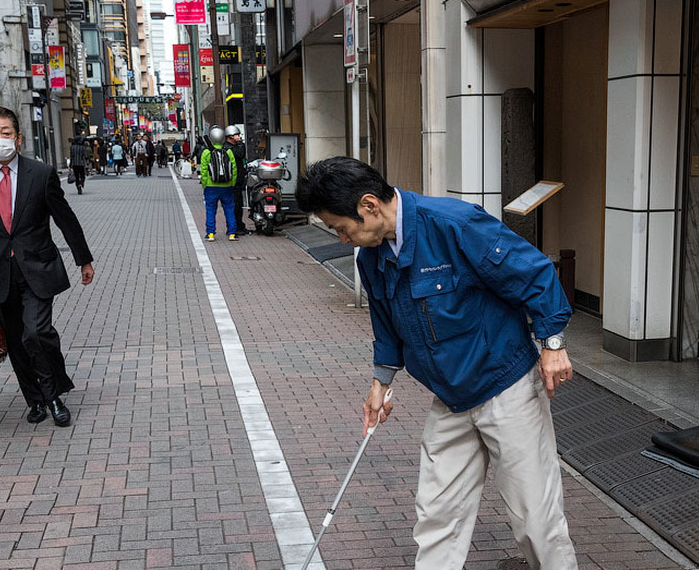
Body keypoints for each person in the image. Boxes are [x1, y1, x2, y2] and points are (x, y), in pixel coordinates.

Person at [295, 157, 578, 570]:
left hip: (506, 383)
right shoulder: (371, 259)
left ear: (370, 205)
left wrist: (552, 343)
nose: (342, 239)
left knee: (535, 515)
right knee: (437, 514)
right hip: (450, 396)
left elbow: (534, 274)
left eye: (342, 228)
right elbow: (386, 325)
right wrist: (380, 381)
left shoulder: (455, 224)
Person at [0, 106, 95, 428]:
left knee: (37, 332)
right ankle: (34, 399)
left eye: (5, 133)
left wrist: (83, 259)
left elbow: (65, 218)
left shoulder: (40, 173)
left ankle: (54, 396)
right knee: (17, 341)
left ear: (18, 138)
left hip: (38, 267)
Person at [199, 125, 238, 242]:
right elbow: (234, 169)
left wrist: (204, 185)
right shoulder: (229, 151)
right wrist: (232, 183)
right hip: (227, 186)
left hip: (211, 186)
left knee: (210, 210)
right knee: (229, 209)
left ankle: (210, 233)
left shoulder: (206, 152)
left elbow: (204, 170)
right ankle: (232, 233)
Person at [224, 125, 250, 235]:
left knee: (238, 204)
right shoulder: (228, 148)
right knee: (235, 205)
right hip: (232, 181)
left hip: (236, 180)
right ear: (230, 136)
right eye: (236, 135)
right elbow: (240, 153)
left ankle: (238, 225)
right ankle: (234, 228)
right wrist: (240, 143)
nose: (239, 137)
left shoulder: (228, 147)